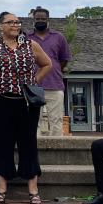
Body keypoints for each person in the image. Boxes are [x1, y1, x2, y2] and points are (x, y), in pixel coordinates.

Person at [0, 12, 52, 204]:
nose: (15, 25)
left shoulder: (30, 45)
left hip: (26, 102)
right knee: (3, 142)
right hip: (0, 101)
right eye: (10, 22)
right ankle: (2, 187)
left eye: (17, 22)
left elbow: (47, 64)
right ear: (0, 26)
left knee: (28, 142)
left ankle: (33, 189)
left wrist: (34, 82)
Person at [28, 7, 72, 136]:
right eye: (37, 19)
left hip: (55, 85)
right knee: (33, 121)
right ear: (33, 20)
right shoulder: (26, 37)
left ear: (48, 20)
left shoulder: (59, 37)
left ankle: (57, 151)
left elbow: (64, 60)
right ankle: (33, 151)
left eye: (43, 19)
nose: (40, 21)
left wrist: (54, 69)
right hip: (33, 85)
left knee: (56, 120)